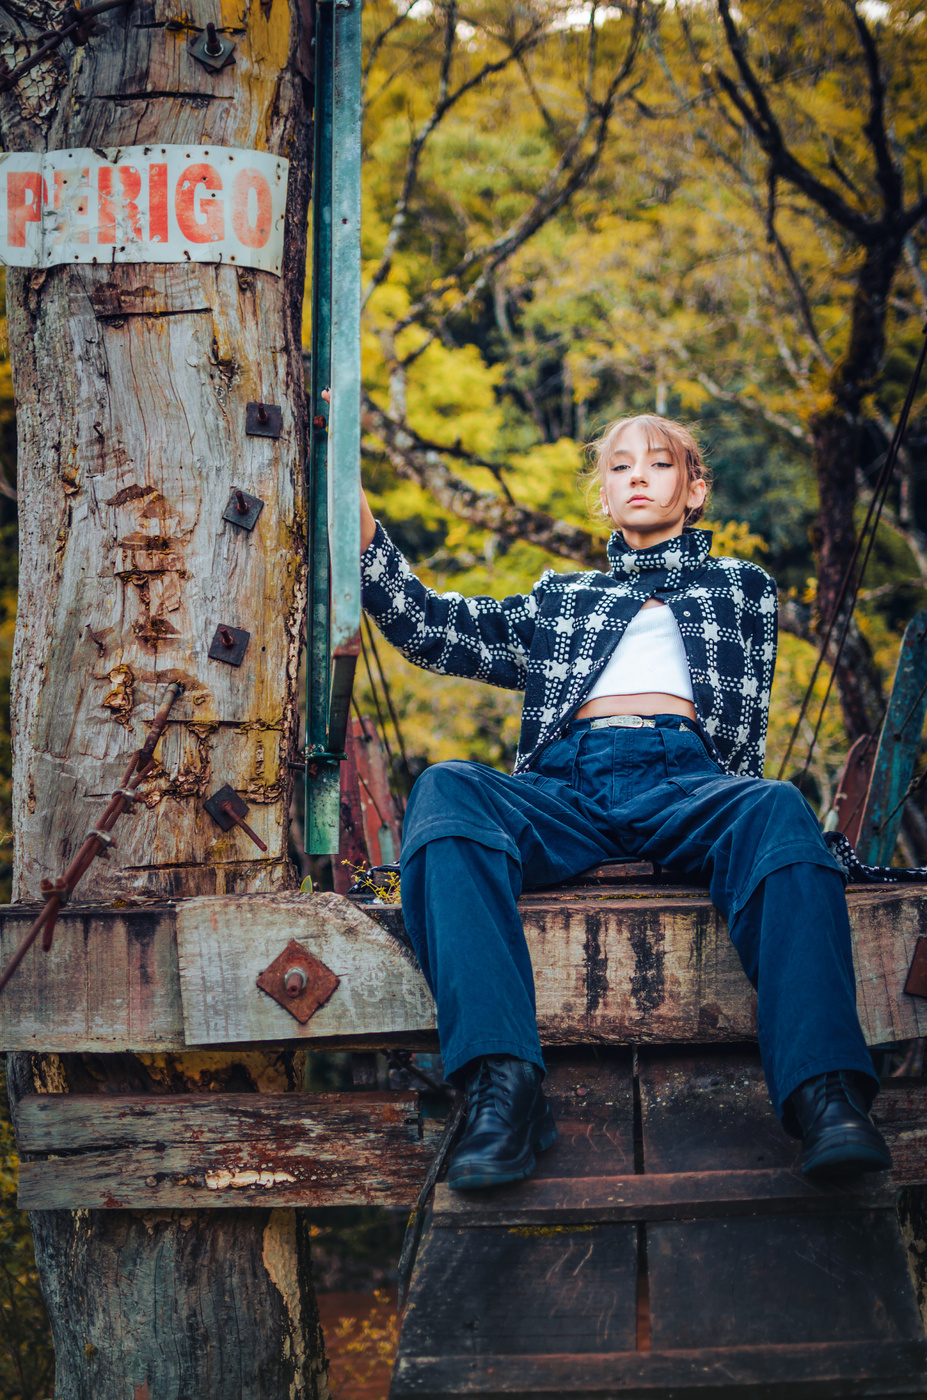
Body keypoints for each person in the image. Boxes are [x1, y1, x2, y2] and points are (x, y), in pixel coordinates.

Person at [358, 412, 892, 1189]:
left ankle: (826, 1094)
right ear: (601, 498)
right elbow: (429, 628)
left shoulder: (736, 586)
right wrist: (352, 500)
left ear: (694, 490)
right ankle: (501, 1087)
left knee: (776, 808)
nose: (637, 475)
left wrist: (641, 573)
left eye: (659, 464)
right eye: (617, 467)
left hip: (687, 779)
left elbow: (685, 594)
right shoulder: (562, 599)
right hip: (564, 783)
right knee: (446, 789)